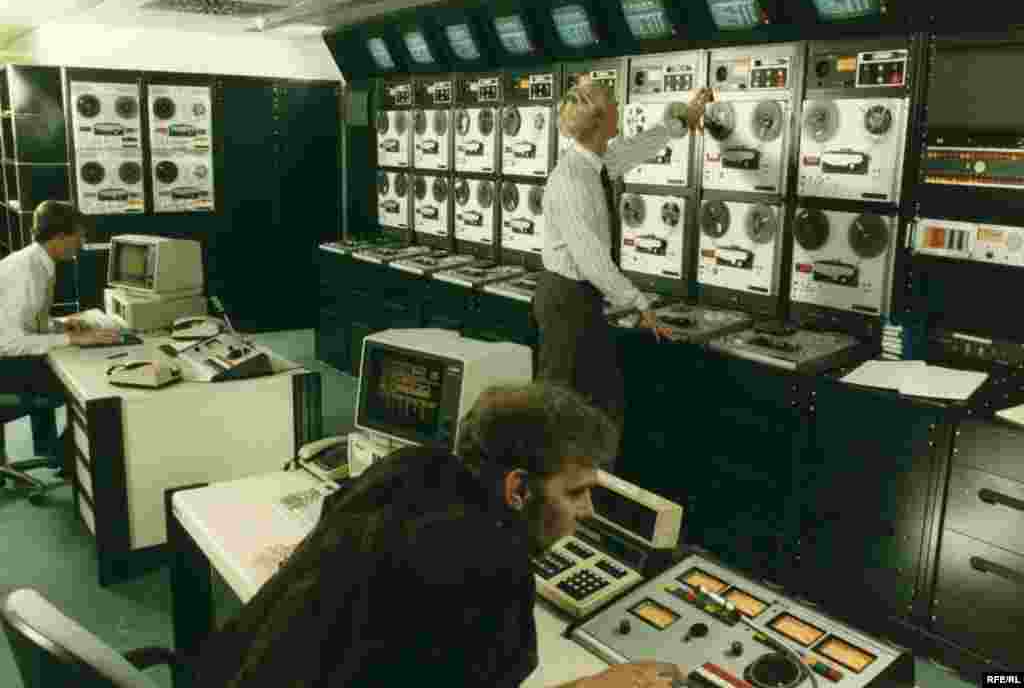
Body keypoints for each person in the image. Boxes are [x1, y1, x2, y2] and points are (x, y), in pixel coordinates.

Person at [195, 381, 686, 688]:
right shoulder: (490, 564)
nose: (588, 511)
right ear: (518, 489)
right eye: (575, 493)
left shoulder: (411, 466)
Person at [534, 81, 715, 434]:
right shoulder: (572, 179)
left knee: (592, 400)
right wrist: (638, 301)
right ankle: (553, 483)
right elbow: (591, 259)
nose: (620, 105)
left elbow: (637, 148)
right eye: (615, 102)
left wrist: (684, 119)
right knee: (562, 406)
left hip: (581, 297)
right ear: (602, 119)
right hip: (566, 299)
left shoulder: (595, 161)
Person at [0, 201, 122, 466]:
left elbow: (27, 321)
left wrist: (59, 325)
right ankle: (65, 457)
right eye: (79, 235)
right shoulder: (28, 274)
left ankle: (60, 455)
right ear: (59, 237)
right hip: (4, 367)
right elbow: (8, 342)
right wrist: (73, 338)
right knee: (89, 386)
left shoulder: (36, 261)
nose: (82, 242)